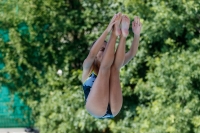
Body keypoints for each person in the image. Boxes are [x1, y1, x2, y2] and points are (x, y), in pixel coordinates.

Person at [82, 12, 142, 119]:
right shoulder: (88, 67)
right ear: (95, 55)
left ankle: (123, 36)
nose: (105, 53)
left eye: (106, 50)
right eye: (102, 50)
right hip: (96, 108)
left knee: (114, 68)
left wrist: (136, 34)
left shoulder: (114, 63)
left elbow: (132, 53)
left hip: (114, 108)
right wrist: (108, 29)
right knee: (104, 70)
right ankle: (114, 34)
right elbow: (91, 54)